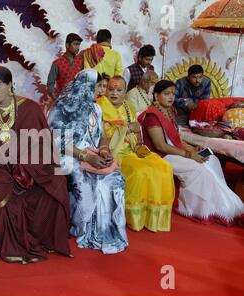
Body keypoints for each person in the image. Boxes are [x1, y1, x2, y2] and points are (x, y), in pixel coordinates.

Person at [0, 66, 72, 264]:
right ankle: (11, 243)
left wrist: (26, 166)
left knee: (56, 181)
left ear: (10, 85)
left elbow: (44, 143)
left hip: (30, 165)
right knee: (7, 199)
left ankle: (46, 238)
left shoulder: (30, 107)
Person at [139, 80, 244, 226]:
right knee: (199, 169)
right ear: (156, 96)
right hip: (160, 155)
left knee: (212, 159)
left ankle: (216, 203)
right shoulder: (152, 116)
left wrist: (191, 148)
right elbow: (161, 145)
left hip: (174, 152)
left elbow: (176, 139)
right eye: (166, 94)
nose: (171, 97)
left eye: (173, 94)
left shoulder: (169, 112)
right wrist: (189, 155)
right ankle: (198, 209)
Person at [49, 69, 128, 254]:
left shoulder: (96, 108)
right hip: (68, 155)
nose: (101, 91)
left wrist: (104, 151)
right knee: (95, 183)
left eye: (102, 86)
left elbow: (102, 136)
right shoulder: (62, 108)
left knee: (115, 179)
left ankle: (108, 231)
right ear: (83, 86)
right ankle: (84, 230)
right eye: (97, 86)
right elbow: (58, 142)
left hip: (92, 153)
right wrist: (87, 157)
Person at [97, 76, 175, 232]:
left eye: (119, 90)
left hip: (132, 149)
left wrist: (136, 139)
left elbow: (137, 131)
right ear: (105, 90)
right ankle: (134, 218)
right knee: (140, 172)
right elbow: (102, 134)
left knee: (164, 167)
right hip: (114, 151)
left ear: (125, 92)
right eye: (111, 89)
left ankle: (153, 219)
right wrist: (126, 127)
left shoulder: (129, 107)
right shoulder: (99, 106)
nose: (114, 93)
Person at [47, 33, 84, 100]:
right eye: (75, 44)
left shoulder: (81, 61)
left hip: (78, 101)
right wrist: (56, 100)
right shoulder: (57, 63)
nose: (78, 47)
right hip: (63, 102)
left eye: (79, 44)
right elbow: (50, 83)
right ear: (67, 45)